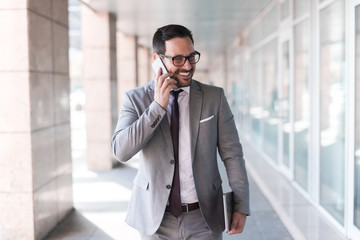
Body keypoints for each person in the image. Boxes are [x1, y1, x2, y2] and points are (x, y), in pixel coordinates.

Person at [111, 24, 250, 240]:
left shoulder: (214, 97)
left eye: (191, 56)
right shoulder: (135, 99)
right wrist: (156, 107)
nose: (187, 66)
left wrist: (241, 204)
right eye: (177, 59)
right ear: (158, 59)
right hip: (155, 220)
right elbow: (121, 151)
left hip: (203, 218)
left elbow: (232, 154)